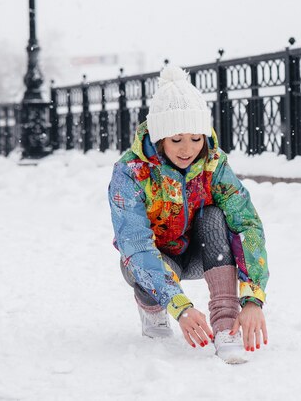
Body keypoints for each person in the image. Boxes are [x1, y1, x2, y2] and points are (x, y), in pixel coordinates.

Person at [108, 65, 269, 364]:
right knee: (142, 264)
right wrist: (178, 304)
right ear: (160, 139)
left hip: (199, 252)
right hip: (155, 256)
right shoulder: (131, 172)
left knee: (215, 216)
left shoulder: (214, 165)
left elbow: (246, 224)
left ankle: (225, 325)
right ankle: (153, 309)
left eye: (196, 139)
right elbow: (135, 243)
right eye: (177, 139)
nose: (188, 149)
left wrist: (253, 298)